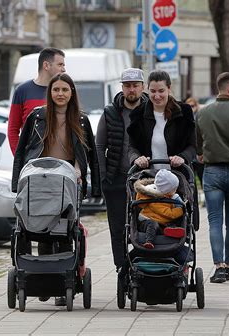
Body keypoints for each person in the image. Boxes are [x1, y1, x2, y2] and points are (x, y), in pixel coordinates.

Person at [11, 73, 101, 306]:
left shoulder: (81, 120)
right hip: (40, 180)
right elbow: (22, 150)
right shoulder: (37, 116)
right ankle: (41, 278)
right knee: (41, 228)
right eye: (56, 90)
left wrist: (92, 184)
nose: (60, 94)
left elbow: (91, 155)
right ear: (50, 93)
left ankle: (63, 283)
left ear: (72, 93)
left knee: (65, 230)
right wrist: (17, 182)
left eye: (65, 90)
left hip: (69, 181)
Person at [195, 72, 229, 283]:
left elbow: (198, 145)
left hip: (212, 172)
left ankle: (218, 266)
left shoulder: (203, 113)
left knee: (215, 221)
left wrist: (203, 153)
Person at [96, 68, 148, 272]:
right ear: (122, 88)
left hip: (145, 180)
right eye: (127, 86)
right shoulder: (110, 112)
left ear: (142, 87)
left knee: (145, 224)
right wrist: (103, 177)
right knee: (117, 227)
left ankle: (143, 264)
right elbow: (100, 146)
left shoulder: (150, 111)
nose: (131, 89)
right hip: (116, 179)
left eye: (135, 85)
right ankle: (121, 266)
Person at [127, 69, 196, 170]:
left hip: (179, 176)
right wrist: (137, 158)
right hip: (148, 178)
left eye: (161, 91)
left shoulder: (184, 112)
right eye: (153, 91)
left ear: (169, 88)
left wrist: (182, 157)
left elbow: (193, 146)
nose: (157, 96)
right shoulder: (138, 114)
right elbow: (131, 147)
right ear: (147, 89)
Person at [8, 47, 66, 155]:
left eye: (63, 65)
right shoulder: (22, 91)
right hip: (31, 162)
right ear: (46, 65)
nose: (63, 69)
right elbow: (13, 129)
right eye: (60, 65)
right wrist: (19, 158)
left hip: (60, 162)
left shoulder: (63, 93)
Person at [135, 169, 185, 249]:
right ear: (166, 191)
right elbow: (169, 214)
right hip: (147, 221)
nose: (175, 191)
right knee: (152, 224)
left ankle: (171, 230)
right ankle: (149, 241)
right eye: (174, 189)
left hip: (161, 222)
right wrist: (181, 210)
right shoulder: (155, 200)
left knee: (169, 224)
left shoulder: (166, 196)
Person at [185, 96, 204, 186]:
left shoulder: (200, 117)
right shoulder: (185, 117)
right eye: (189, 106)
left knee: (203, 180)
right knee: (191, 182)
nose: (191, 108)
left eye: (192, 106)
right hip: (190, 156)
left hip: (199, 155)